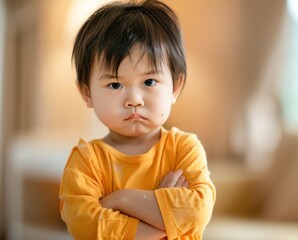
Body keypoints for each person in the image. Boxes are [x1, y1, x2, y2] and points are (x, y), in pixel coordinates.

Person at [59, 1, 216, 239]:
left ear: (176, 86)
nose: (134, 100)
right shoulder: (87, 161)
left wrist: (120, 199)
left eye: (149, 82)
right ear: (87, 93)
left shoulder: (184, 149)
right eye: (115, 84)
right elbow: (84, 224)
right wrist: (162, 218)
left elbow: (197, 212)